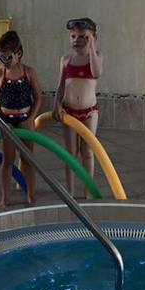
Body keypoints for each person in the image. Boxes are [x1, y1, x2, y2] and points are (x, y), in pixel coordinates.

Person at [0, 30, 41, 207]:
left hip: (25, 120)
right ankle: (5, 199)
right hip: (7, 122)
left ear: (19, 54)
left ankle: (31, 195)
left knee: (27, 160)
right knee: (8, 161)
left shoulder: (28, 73)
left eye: (7, 57)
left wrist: (30, 119)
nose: (3, 61)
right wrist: (0, 122)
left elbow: (38, 98)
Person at [53, 17, 103, 197]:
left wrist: (92, 47)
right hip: (69, 112)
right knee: (70, 154)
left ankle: (88, 191)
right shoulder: (66, 60)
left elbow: (96, 73)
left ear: (93, 38)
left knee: (87, 152)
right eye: (73, 36)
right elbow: (60, 86)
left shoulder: (96, 57)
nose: (77, 40)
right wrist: (56, 105)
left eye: (83, 37)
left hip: (89, 113)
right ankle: (70, 192)